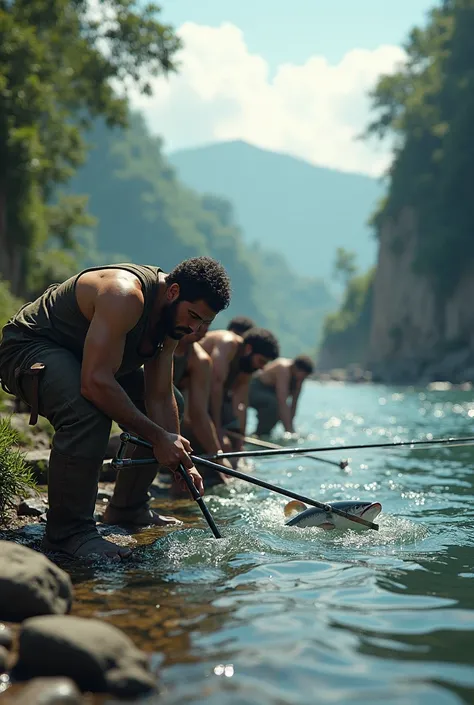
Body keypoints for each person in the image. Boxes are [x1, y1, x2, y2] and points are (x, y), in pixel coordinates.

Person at [0, 257, 231, 560]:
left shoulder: (172, 322)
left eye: (203, 323)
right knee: (87, 411)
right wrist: (158, 437)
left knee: (174, 406)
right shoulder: (124, 294)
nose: (193, 328)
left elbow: (160, 397)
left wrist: (181, 461)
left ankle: (127, 508)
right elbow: (95, 383)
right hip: (29, 349)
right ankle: (68, 533)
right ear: (173, 291)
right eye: (192, 317)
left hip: (84, 360)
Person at [200, 326, 279, 454]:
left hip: (213, 398)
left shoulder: (247, 367)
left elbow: (241, 402)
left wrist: (240, 439)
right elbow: (216, 385)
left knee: (233, 439)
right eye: (261, 361)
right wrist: (217, 430)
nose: (261, 368)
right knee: (218, 441)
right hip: (192, 390)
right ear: (248, 349)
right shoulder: (228, 343)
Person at [172, 325, 233, 487]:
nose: (199, 329)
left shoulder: (201, 360)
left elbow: (199, 414)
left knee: (214, 447)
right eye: (194, 318)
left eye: (206, 323)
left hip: (169, 420)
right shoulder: (160, 340)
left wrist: (219, 457)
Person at [249, 355, 314, 436]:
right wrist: (288, 430)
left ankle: (261, 434)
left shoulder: (299, 379)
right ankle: (259, 435)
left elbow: (294, 404)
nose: (302, 379)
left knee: (277, 409)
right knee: (274, 405)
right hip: (254, 389)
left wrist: (291, 427)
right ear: (296, 368)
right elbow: (282, 401)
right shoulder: (283, 368)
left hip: (272, 396)